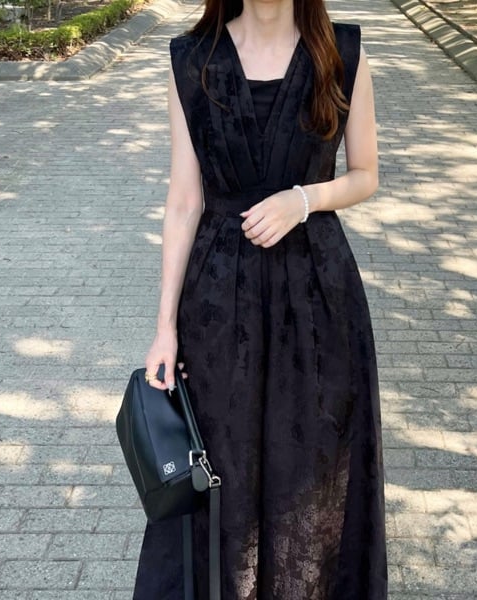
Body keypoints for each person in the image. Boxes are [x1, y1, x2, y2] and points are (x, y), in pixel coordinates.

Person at [133, 0, 387, 597]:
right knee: (222, 471)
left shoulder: (341, 53)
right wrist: (165, 327)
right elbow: (183, 201)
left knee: (313, 473)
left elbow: (366, 174)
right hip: (219, 305)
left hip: (319, 302)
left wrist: (304, 200)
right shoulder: (192, 60)